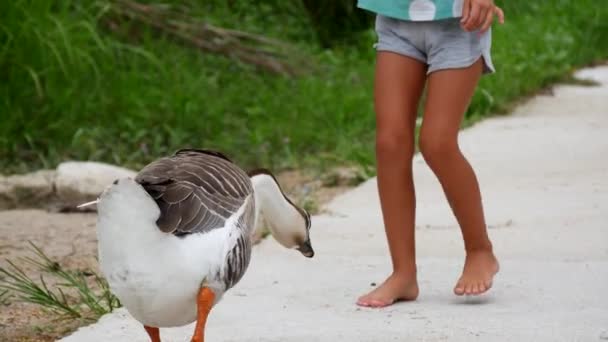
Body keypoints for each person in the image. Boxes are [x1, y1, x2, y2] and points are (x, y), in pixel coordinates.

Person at [355, 0, 504, 308]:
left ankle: (479, 249)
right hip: (397, 19)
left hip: (459, 22)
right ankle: (403, 273)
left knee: (437, 143)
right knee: (390, 144)